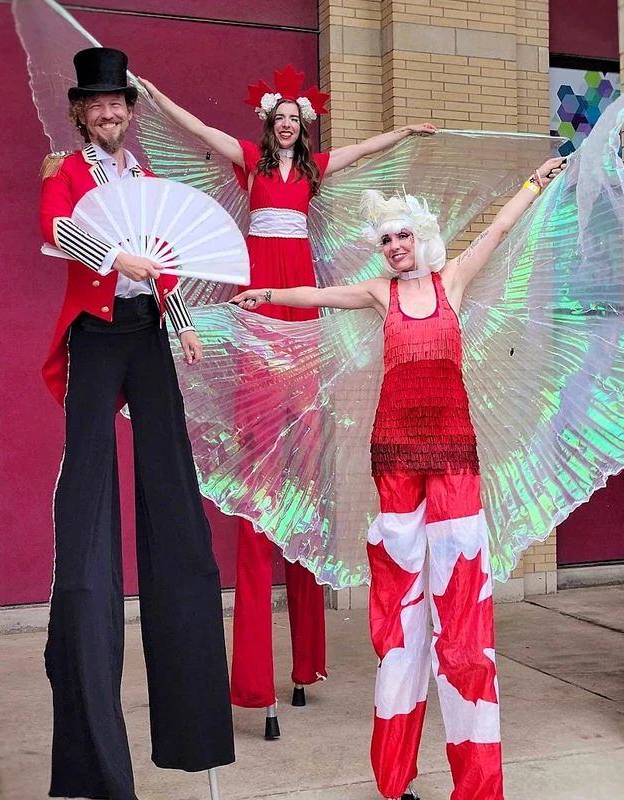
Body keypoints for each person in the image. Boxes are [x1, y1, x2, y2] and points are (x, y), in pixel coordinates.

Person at [232, 156, 567, 800]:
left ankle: (478, 785)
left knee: (463, 611)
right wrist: (267, 294)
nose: (393, 247)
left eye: (401, 236)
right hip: (395, 460)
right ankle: (394, 781)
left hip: (453, 458)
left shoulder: (454, 283)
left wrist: (533, 182)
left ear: (422, 236)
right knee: (402, 617)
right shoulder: (378, 295)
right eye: (384, 241)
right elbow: (316, 296)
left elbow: (498, 230)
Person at [138, 64, 436, 735]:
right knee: (263, 490)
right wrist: (158, 96)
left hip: (299, 313)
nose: (287, 125)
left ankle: (305, 663)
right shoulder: (249, 167)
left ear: (303, 128)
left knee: (305, 485)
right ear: (269, 122)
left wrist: (403, 132)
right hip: (256, 314)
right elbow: (205, 132)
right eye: (281, 118)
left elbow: (362, 152)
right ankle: (254, 680)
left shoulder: (312, 173)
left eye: (296, 120)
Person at [39, 47, 234, 799]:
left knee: (176, 511)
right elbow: (59, 230)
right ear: (82, 113)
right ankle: (94, 763)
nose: (110, 112)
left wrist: (181, 320)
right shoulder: (67, 172)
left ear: (128, 110)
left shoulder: (148, 180)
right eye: (98, 104)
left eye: (119, 102)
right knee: (85, 522)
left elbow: (169, 261)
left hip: (149, 335)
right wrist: (116, 252)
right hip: (94, 335)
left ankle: (194, 734)